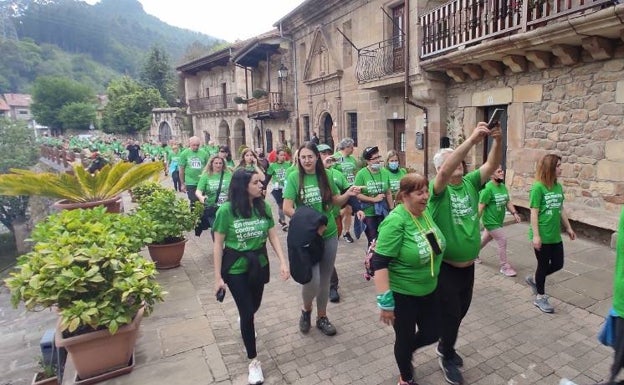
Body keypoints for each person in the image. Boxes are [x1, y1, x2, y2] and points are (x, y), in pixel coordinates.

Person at [428, 121, 502, 385]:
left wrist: (497, 140)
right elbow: (448, 168)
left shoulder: (470, 183)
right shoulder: (436, 190)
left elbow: (491, 166)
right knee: (451, 315)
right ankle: (446, 353)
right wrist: (471, 141)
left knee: (460, 313)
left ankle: (445, 343)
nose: (457, 163)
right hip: (446, 267)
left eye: (459, 159)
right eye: (451, 160)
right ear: (439, 169)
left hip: (468, 267)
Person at [212, 169, 290, 385]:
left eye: (261, 182)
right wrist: (217, 277)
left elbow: (273, 236)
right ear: (243, 186)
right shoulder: (226, 211)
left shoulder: (263, 206)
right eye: (256, 182)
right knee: (248, 313)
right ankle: (253, 362)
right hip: (236, 267)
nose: (261, 185)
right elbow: (218, 245)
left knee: (254, 306)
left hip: (259, 263)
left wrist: (283, 262)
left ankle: (244, 318)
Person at [372, 173, 445, 385]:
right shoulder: (395, 222)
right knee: (403, 339)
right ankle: (407, 377)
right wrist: (385, 303)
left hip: (429, 289)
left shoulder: (425, 212)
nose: (425, 197)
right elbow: (380, 263)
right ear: (404, 195)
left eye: (426, 191)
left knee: (433, 332)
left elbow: (433, 247)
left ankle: (405, 351)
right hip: (403, 295)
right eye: (419, 193)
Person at [283, 142, 361, 336]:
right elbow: (287, 207)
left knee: (325, 279)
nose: (307, 160)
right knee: (312, 280)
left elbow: (335, 200)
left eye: (310, 156)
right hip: (308, 238)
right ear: (299, 160)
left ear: (317, 158)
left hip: (328, 234)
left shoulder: (325, 176)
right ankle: (306, 310)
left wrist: (348, 194)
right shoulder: (294, 178)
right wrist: (308, 224)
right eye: (303, 157)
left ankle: (322, 317)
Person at [525, 154, 576, 313]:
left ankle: (535, 279)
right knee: (542, 265)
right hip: (542, 235)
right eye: (558, 165)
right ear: (550, 168)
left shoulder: (558, 187)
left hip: (555, 235)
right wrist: (536, 235)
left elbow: (560, 209)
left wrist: (568, 227)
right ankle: (540, 297)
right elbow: (534, 212)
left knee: (558, 264)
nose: (561, 168)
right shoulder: (538, 187)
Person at [318, 143, 364, 303]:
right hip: (310, 225)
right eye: (322, 154)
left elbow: (348, 190)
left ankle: (332, 286)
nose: (325, 157)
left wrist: (357, 208)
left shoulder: (335, 174)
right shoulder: (300, 176)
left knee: (327, 255)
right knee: (317, 256)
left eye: (327, 154)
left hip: (332, 219)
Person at [477, 166, 521, 276]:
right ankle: (504, 266)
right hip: (490, 221)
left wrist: (514, 213)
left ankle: (472, 254)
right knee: (502, 239)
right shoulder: (487, 189)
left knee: (485, 239)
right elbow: (480, 207)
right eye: (499, 171)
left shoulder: (502, 187)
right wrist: (474, 223)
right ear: (491, 175)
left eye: (502, 171)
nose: (502, 173)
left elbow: (507, 202)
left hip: (498, 221)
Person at [355, 146, 394, 247]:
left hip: (383, 211)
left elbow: (388, 192)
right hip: (368, 213)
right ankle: (371, 260)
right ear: (367, 161)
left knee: (383, 238)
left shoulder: (385, 172)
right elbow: (357, 194)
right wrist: (373, 199)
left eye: (378, 157)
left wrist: (391, 209)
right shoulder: (361, 174)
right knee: (373, 240)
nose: (378, 160)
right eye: (374, 158)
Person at [195, 156, 232, 237]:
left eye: (220, 163)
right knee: (215, 229)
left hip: (227, 207)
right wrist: (201, 197)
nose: (218, 165)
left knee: (228, 228)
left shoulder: (229, 174)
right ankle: (218, 248)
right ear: (211, 164)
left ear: (223, 164)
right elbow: (198, 191)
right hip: (212, 207)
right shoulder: (206, 176)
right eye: (216, 163)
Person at [334, 138, 359, 243]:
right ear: (346, 147)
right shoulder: (336, 157)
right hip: (339, 188)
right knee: (340, 210)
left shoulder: (352, 159)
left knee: (349, 209)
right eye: (351, 147)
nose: (353, 149)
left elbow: (355, 171)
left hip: (350, 187)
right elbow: (330, 170)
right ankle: (338, 219)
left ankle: (346, 232)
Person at [265, 147, 290, 231]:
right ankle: (283, 221)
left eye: (284, 155)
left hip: (287, 187)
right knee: (280, 205)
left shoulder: (288, 164)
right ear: (277, 156)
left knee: (290, 204)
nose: (283, 157)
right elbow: (267, 178)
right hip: (277, 188)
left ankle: (292, 219)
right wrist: (264, 187)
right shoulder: (273, 166)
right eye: (281, 155)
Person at [179, 136, 210, 206]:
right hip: (190, 182)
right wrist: (182, 184)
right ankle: (194, 216)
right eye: (194, 145)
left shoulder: (204, 153)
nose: (196, 147)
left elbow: (208, 167)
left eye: (197, 145)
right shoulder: (184, 154)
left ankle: (202, 216)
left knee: (202, 200)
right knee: (193, 200)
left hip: (202, 181)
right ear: (189, 144)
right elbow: (181, 170)